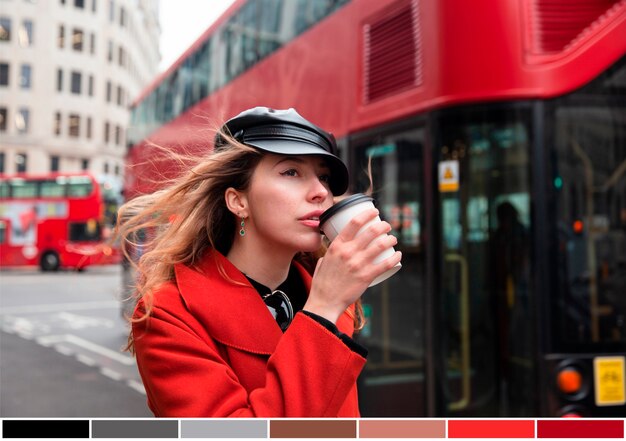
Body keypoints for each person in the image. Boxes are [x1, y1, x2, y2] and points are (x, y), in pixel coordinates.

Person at [116, 107, 402, 417]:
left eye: (323, 177)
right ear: (238, 201)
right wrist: (322, 312)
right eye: (291, 172)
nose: (321, 192)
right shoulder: (169, 314)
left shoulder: (332, 298)